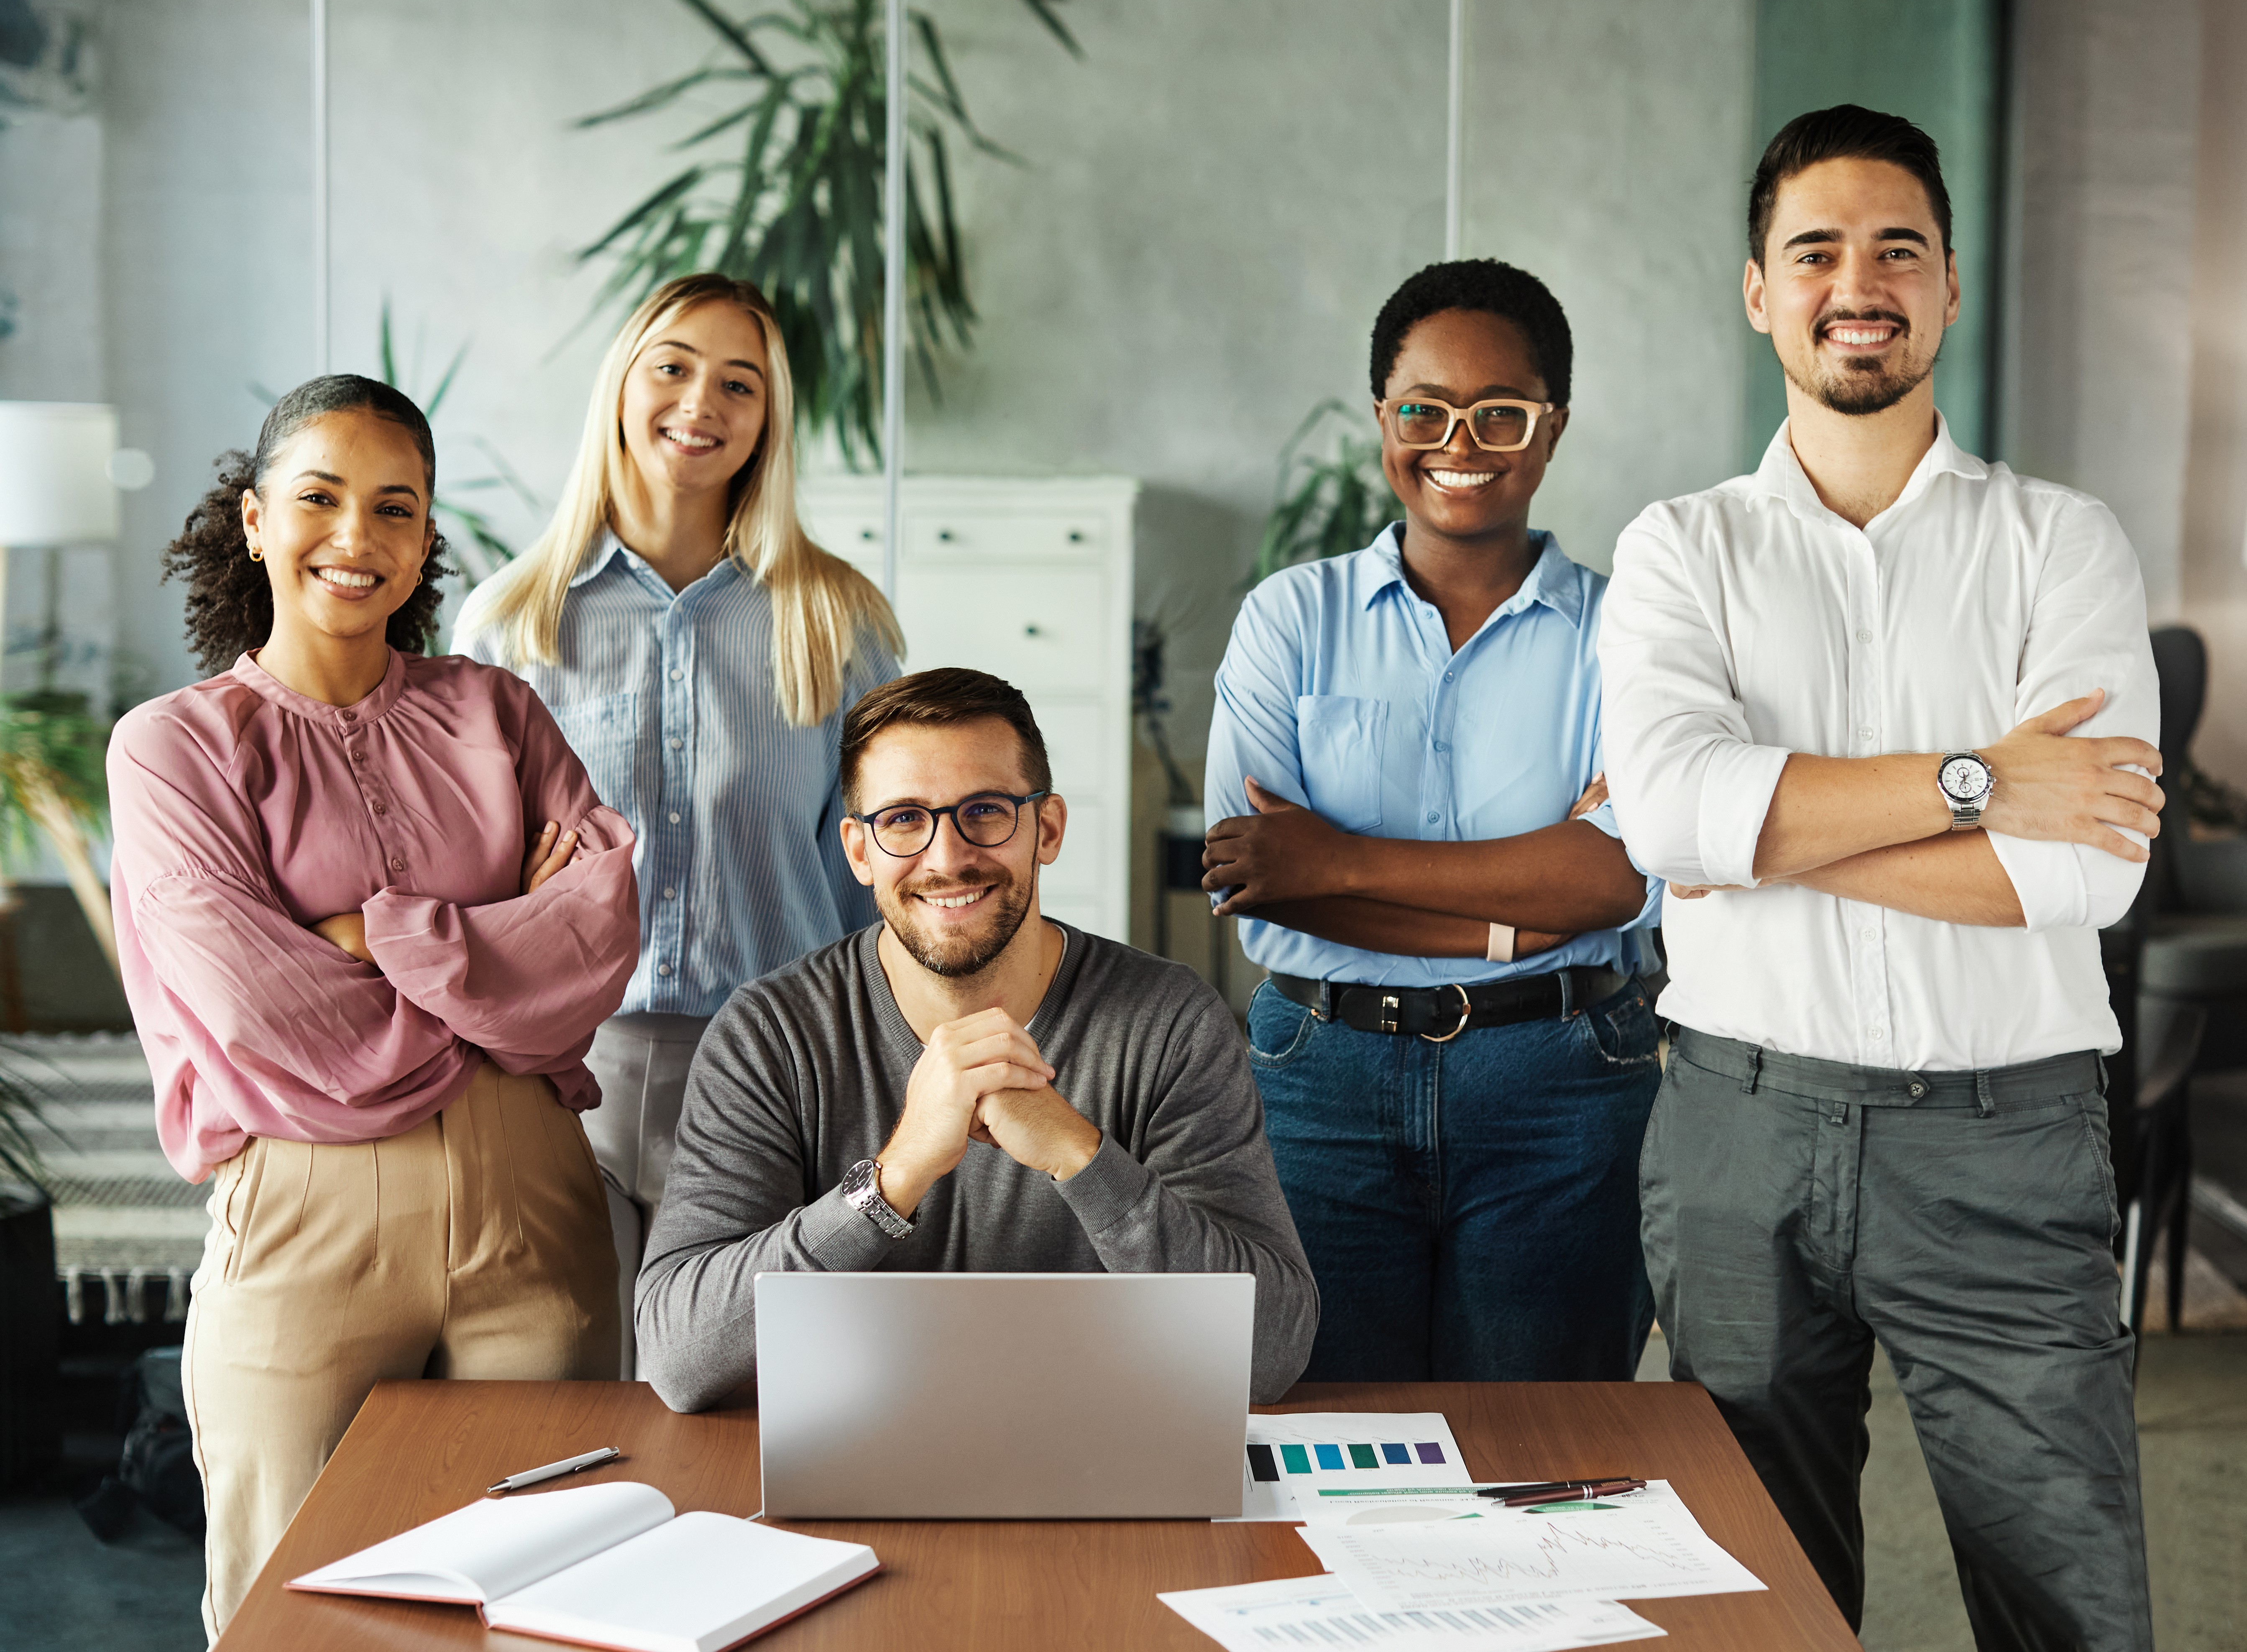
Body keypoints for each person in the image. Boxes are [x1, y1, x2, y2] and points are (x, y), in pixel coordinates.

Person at [1599, 105, 2159, 1650]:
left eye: (1897, 248)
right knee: (1752, 1598)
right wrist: (1975, 783)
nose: (1860, 283)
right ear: (1757, 291)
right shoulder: (1679, 550)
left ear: (1950, 287)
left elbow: (2080, 878)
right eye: (1816, 251)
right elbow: (1663, 816)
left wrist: (1760, 845)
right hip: (1736, 1131)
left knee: (2071, 1598)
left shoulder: (2063, 545)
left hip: (2005, 1139)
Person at [112, 376, 639, 1637]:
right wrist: (488, 959)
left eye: (393, 508)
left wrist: (372, 935)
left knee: (546, 1596)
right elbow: (263, 1012)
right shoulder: (172, 747)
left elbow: (597, 939)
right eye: (319, 498)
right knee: (288, 1604)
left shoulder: (496, 711)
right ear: (254, 520)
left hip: (535, 1214)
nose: (356, 536)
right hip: (306, 1220)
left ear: (423, 540)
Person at [1200, 260, 1664, 1383]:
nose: (1460, 439)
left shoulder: (1627, 631)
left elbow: (1613, 885)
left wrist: (1342, 860)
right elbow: (1253, 875)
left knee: (1543, 1450)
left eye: (1501, 411)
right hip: (1319, 1074)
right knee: (1321, 1429)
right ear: (1380, 420)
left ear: (1550, 428)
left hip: (1559, 1082)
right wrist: (1519, 902)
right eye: (1423, 408)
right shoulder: (1288, 618)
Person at [635, 667, 1317, 1410]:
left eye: (985, 811)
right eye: (902, 819)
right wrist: (892, 1178)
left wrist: (1081, 1156)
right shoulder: (770, 1032)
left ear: (1046, 828)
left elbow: (1269, 1352)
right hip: (849, 1456)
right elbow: (679, 1356)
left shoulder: (1169, 1021)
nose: (947, 857)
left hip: (1101, 1455)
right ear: (858, 852)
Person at [458, 274, 901, 1377]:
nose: (700, 402)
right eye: (673, 366)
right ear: (622, 385)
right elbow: (461, 873)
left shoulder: (835, 620)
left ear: (767, 420)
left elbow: (878, 876)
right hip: (569, 1069)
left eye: (738, 383)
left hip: (774, 1062)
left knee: (742, 1391)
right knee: (580, 1389)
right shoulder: (511, 624)